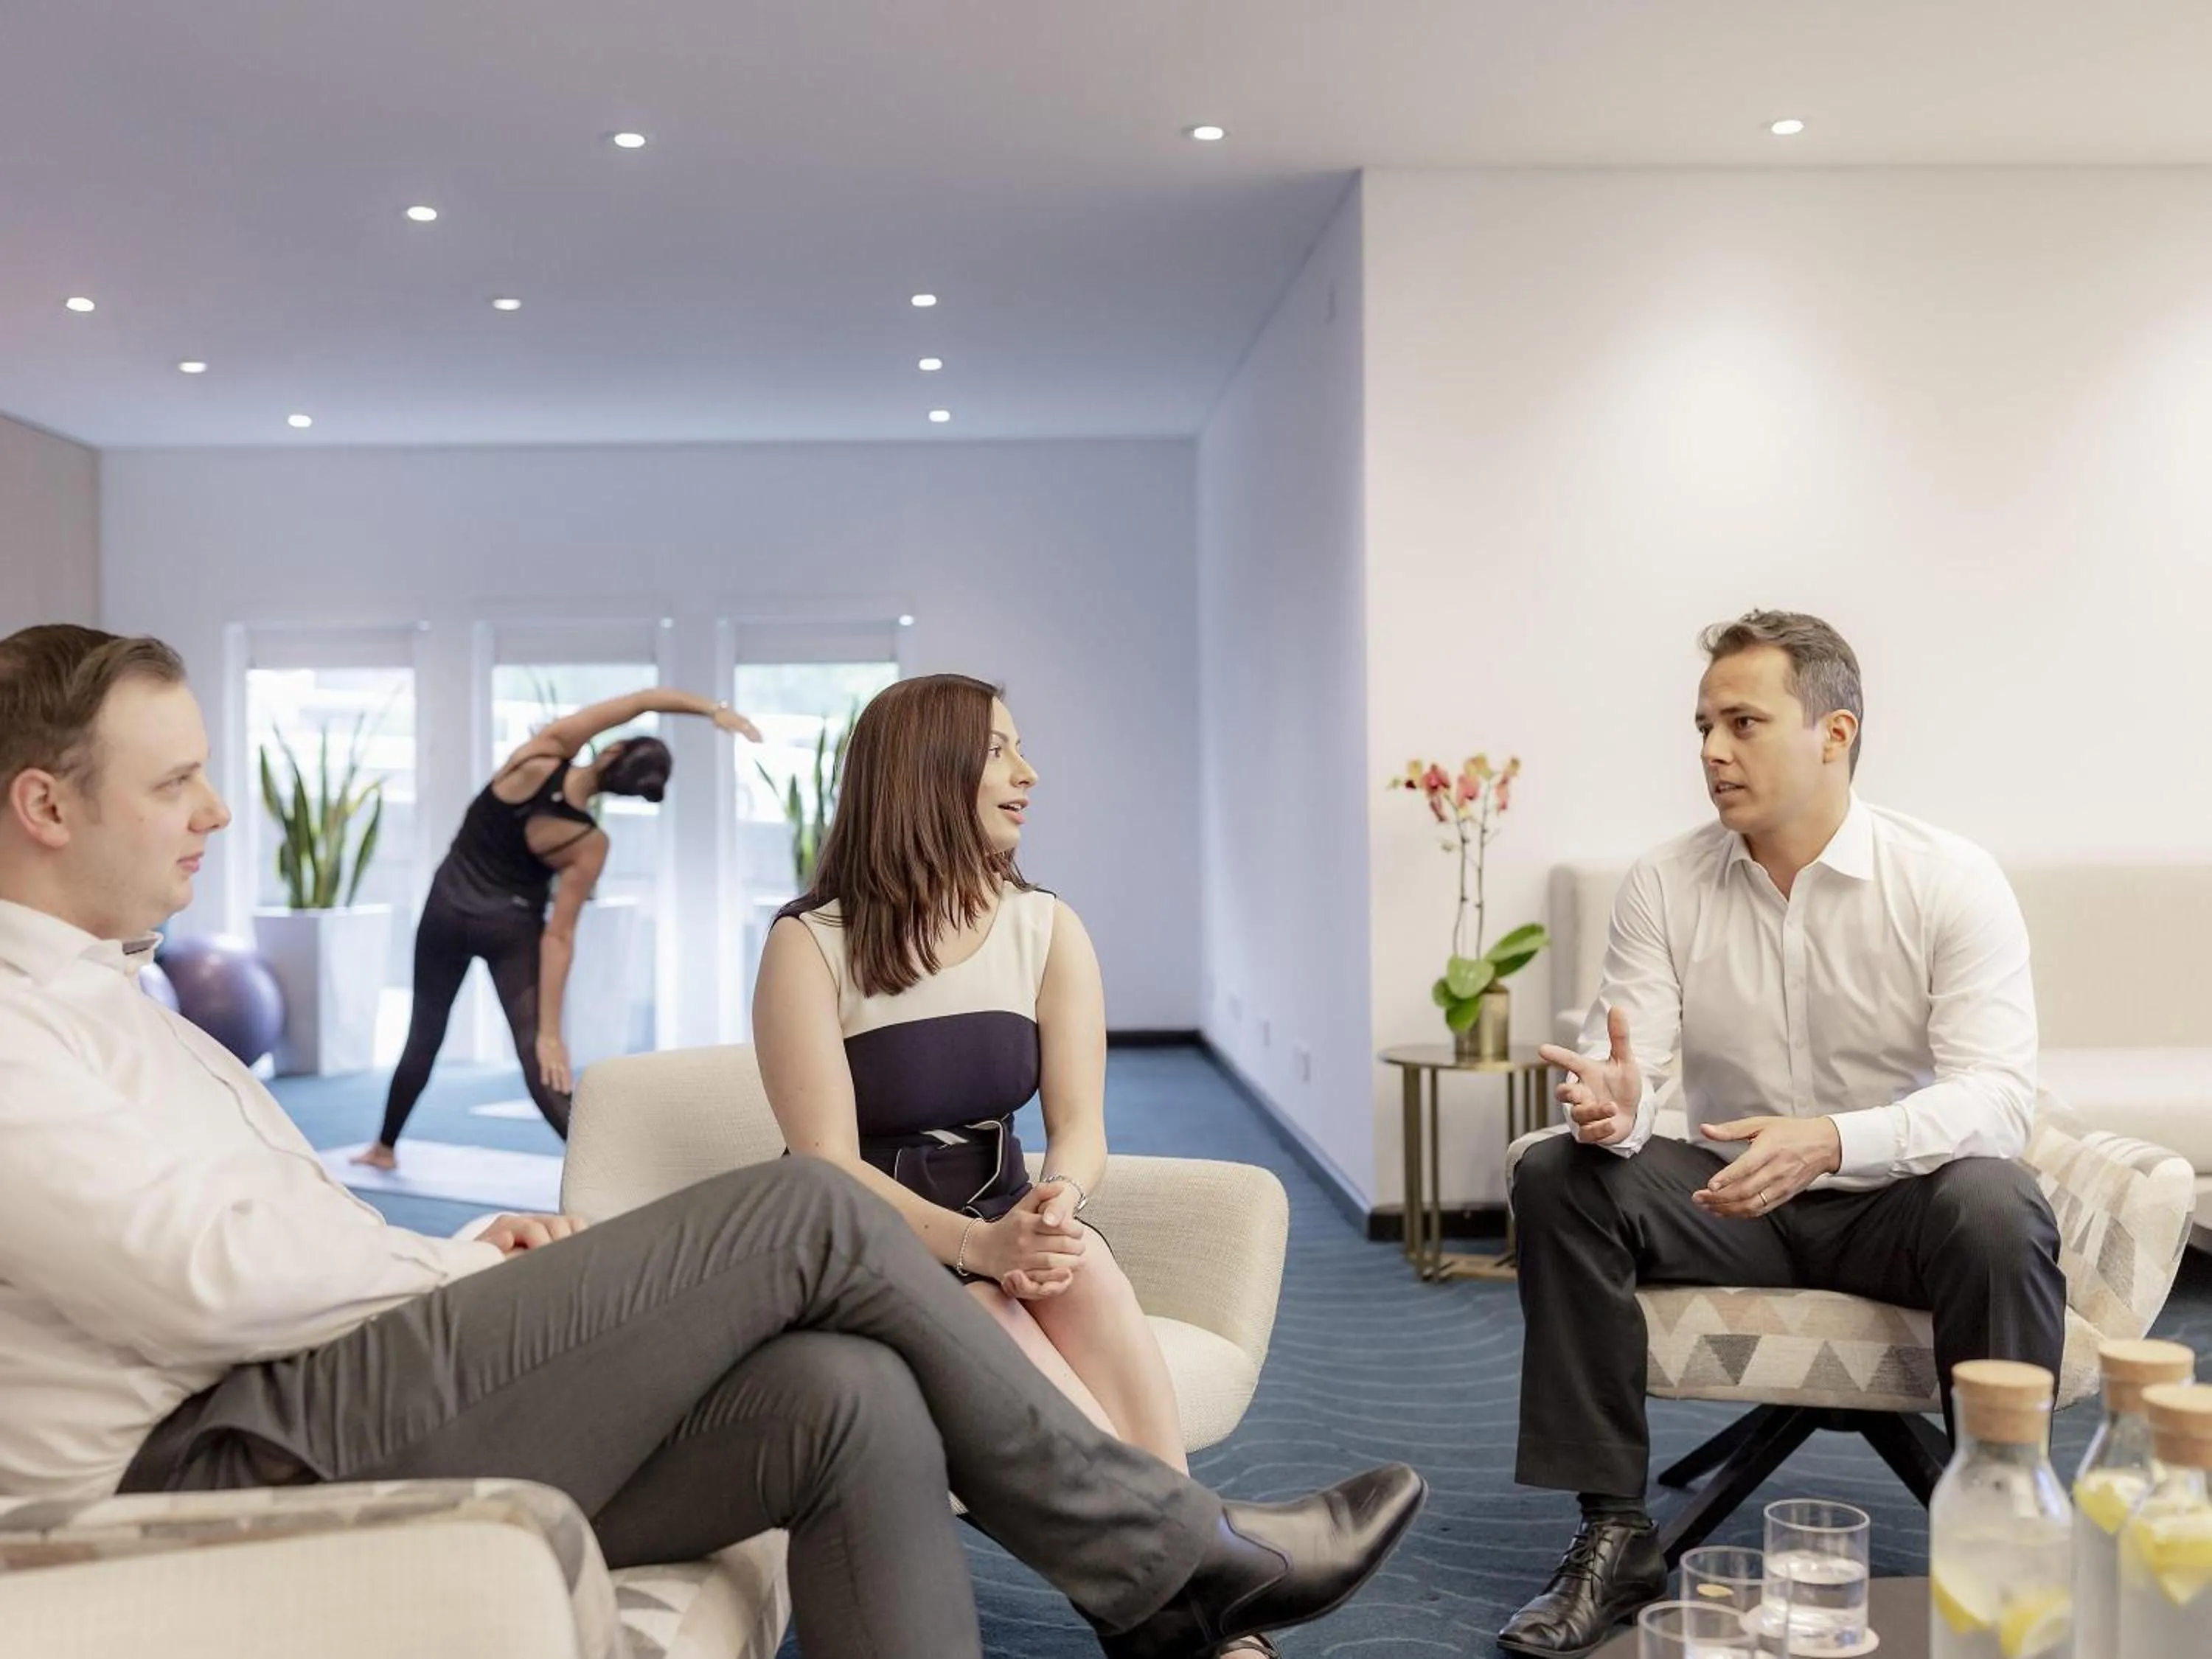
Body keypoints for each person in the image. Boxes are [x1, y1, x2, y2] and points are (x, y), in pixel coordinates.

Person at [0, 622, 1426, 1659]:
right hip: (213, 1453)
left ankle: (1171, 1573)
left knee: (847, 1391)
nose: (219, 808)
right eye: (175, 781)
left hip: (300, 1388)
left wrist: (442, 1246)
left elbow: (246, 1235)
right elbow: (210, 1277)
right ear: (45, 806)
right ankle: (1181, 1559)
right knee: (810, 1211)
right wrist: (451, 1282)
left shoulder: (122, 1003)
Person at [1496, 610, 2065, 1658]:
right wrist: (1618, 1110)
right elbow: (1634, 1065)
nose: (1712, 751)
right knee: (1558, 1172)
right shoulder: (1665, 881)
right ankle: (1614, 1532)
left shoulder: (1948, 879)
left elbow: (1996, 1097)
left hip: (1897, 1205)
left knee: (1999, 1201)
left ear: (1833, 732)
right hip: (1727, 1200)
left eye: (1744, 721)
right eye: (1703, 725)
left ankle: (2006, 1534)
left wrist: (1834, 1139)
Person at [751, 676, 1272, 1646]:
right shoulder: (807, 944)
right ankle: (1173, 1612)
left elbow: (1080, 1126)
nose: (1028, 774)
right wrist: (983, 1249)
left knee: (1089, 1268)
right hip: (864, 1245)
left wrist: (1057, 1203)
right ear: (924, 770)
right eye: (1000, 750)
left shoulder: (1045, 925)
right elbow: (820, 1160)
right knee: (998, 1312)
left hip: (1007, 1212)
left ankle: (1186, 1574)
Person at [356, 686, 761, 1169]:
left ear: (611, 751)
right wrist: (549, 1032)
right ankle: (617, 1172)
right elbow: (559, 935)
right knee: (539, 1061)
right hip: (512, 930)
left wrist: (715, 712)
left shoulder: (539, 755)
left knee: (424, 1034)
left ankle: (383, 1148)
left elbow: (642, 700)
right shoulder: (588, 842)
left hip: (446, 914)